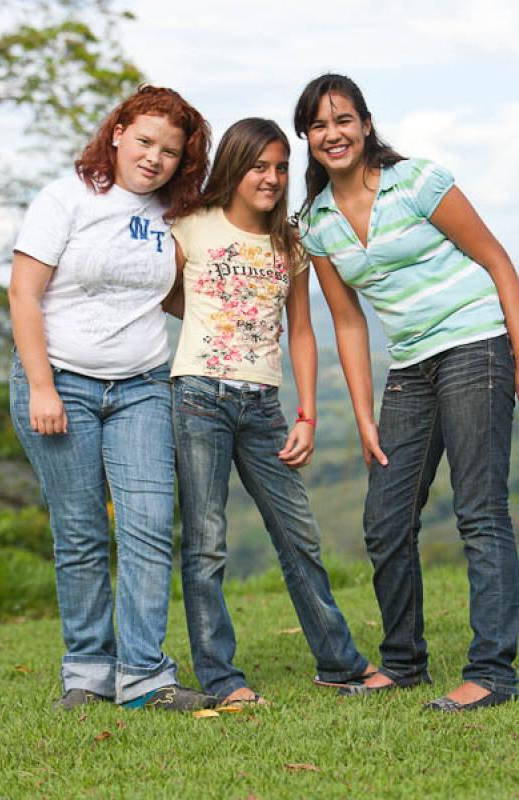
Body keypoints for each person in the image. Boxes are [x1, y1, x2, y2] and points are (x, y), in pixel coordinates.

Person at [294, 73, 519, 712]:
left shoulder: (418, 181)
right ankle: (404, 662)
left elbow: (499, 260)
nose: (332, 134)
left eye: (343, 120)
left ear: (365, 124)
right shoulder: (317, 224)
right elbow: (347, 321)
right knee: (385, 518)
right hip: (412, 369)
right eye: (318, 125)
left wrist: (517, 347)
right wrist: (364, 415)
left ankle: (493, 674)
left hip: (477, 342)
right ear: (308, 139)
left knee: (479, 510)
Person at [9, 85, 218, 712]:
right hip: (62, 382)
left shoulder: (171, 217)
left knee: (151, 528)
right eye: (146, 141)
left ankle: (146, 677)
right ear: (119, 131)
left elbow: (171, 296)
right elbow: (24, 295)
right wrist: (43, 386)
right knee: (80, 536)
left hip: (142, 386)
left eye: (171, 152)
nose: (155, 158)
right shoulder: (66, 198)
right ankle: (87, 675)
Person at [168, 117, 373, 705]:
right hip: (199, 396)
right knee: (206, 542)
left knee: (298, 536)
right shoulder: (191, 228)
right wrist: (211, 318)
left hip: (264, 406)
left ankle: (339, 663)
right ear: (234, 167)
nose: (272, 178)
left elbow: (302, 333)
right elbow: (164, 294)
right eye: (260, 166)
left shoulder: (290, 241)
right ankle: (221, 678)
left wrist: (307, 413)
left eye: (282, 167)